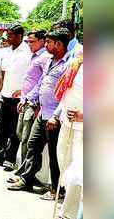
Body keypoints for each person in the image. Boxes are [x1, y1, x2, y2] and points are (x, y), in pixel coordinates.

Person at [7, 28, 71, 201]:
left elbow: (66, 94)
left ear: (58, 44)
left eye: (49, 42)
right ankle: (27, 179)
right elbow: (41, 84)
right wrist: (27, 98)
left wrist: (56, 116)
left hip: (54, 118)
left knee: (54, 155)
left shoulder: (68, 64)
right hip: (42, 113)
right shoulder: (49, 61)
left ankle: (56, 190)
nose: (47, 45)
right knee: (33, 144)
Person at [0, 24, 31, 171]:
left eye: (10, 36)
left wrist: (24, 92)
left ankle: (10, 158)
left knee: (14, 130)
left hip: (18, 99)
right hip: (4, 95)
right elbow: (3, 74)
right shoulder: (6, 52)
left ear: (19, 36)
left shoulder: (28, 52)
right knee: (0, 128)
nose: (8, 38)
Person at [54, 59, 83, 218]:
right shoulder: (78, 61)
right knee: (65, 166)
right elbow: (66, 90)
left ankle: (69, 214)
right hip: (67, 123)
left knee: (78, 174)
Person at [16, 30, 51, 163]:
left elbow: (43, 82)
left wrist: (36, 104)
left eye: (32, 42)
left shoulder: (46, 57)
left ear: (42, 41)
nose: (29, 45)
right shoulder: (34, 56)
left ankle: (25, 172)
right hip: (25, 100)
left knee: (27, 138)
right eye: (27, 42)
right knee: (20, 134)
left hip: (33, 103)